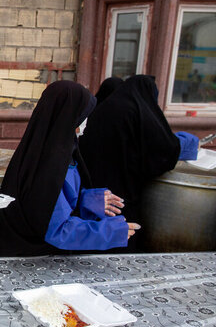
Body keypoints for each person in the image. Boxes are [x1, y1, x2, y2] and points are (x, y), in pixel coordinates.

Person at [0, 81, 140, 257]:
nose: (85, 123)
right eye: (84, 116)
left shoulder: (54, 151)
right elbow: (55, 228)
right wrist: (109, 231)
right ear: (69, 116)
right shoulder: (48, 165)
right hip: (26, 258)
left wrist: (87, 201)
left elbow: (53, 203)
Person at [79, 75, 198, 250]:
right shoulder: (133, 113)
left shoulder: (102, 112)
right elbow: (162, 153)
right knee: (122, 235)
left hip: (92, 194)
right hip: (121, 195)